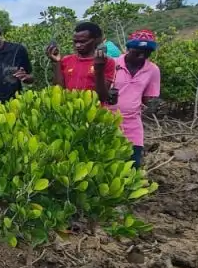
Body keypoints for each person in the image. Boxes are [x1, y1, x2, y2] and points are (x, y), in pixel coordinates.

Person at [110, 30, 161, 169]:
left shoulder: (153, 70)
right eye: (137, 51)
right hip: (107, 121)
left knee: (133, 163)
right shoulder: (112, 64)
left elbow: (148, 98)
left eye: (146, 52)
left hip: (132, 123)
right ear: (128, 49)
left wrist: (153, 105)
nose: (141, 55)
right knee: (108, 161)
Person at [47, 21, 116, 104]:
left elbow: (102, 97)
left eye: (83, 41)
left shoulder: (107, 62)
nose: (78, 45)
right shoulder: (66, 60)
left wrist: (98, 70)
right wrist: (56, 62)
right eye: (75, 42)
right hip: (70, 112)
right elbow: (59, 90)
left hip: (93, 113)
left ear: (97, 40)